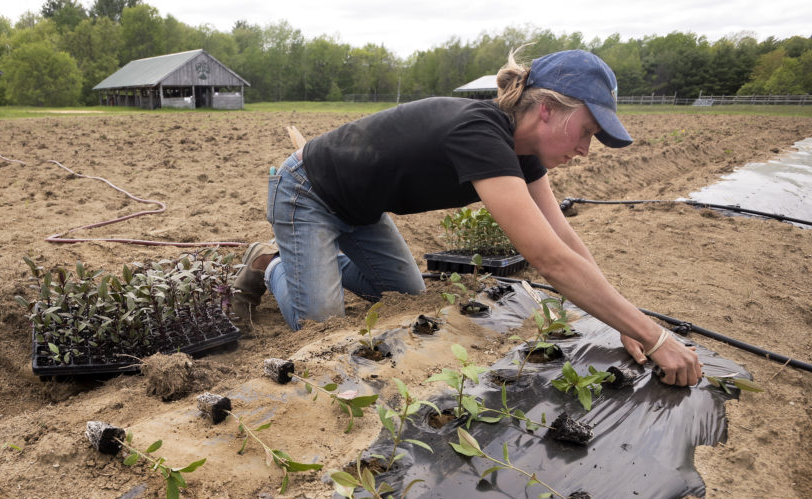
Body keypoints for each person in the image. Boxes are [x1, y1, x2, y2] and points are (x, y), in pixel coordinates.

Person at [233, 48, 701, 387]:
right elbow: (546, 259)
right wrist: (657, 338)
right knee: (325, 329)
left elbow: (563, 238)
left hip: (361, 208)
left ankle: (308, 262)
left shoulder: (524, 155)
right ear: (546, 110)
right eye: (586, 132)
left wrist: (627, 321)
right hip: (307, 192)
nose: (584, 149)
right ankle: (271, 264)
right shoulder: (479, 133)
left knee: (404, 295)